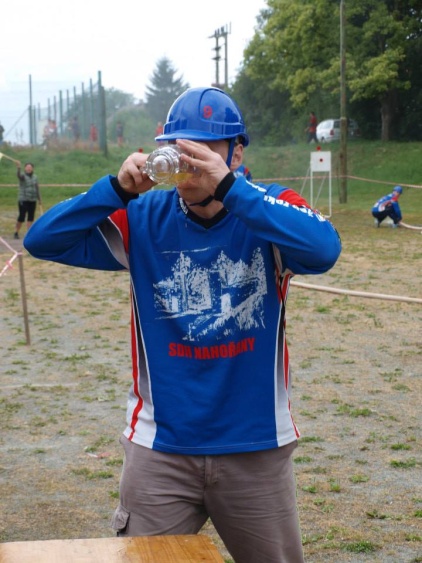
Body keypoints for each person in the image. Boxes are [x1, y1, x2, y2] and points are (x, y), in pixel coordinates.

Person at [24, 87, 341, 563]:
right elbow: (42, 240)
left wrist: (231, 189)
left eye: (205, 148)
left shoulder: (268, 208)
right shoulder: (142, 216)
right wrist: (116, 189)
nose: (190, 161)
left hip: (255, 445)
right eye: (179, 147)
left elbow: (324, 249)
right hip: (161, 448)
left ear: (236, 153)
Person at [14, 161, 41, 239]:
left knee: (31, 217)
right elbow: (19, 176)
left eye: (30, 167)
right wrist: (18, 168)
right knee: (21, 217)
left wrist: (39, 199)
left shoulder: (35, 177)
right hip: (23, 199)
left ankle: (28, 233)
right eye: (27, 167)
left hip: (33, 200)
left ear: (32, 168)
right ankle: (16, 232)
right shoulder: (23, 176)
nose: (29, 168)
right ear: (25, 168)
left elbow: (37, 188)